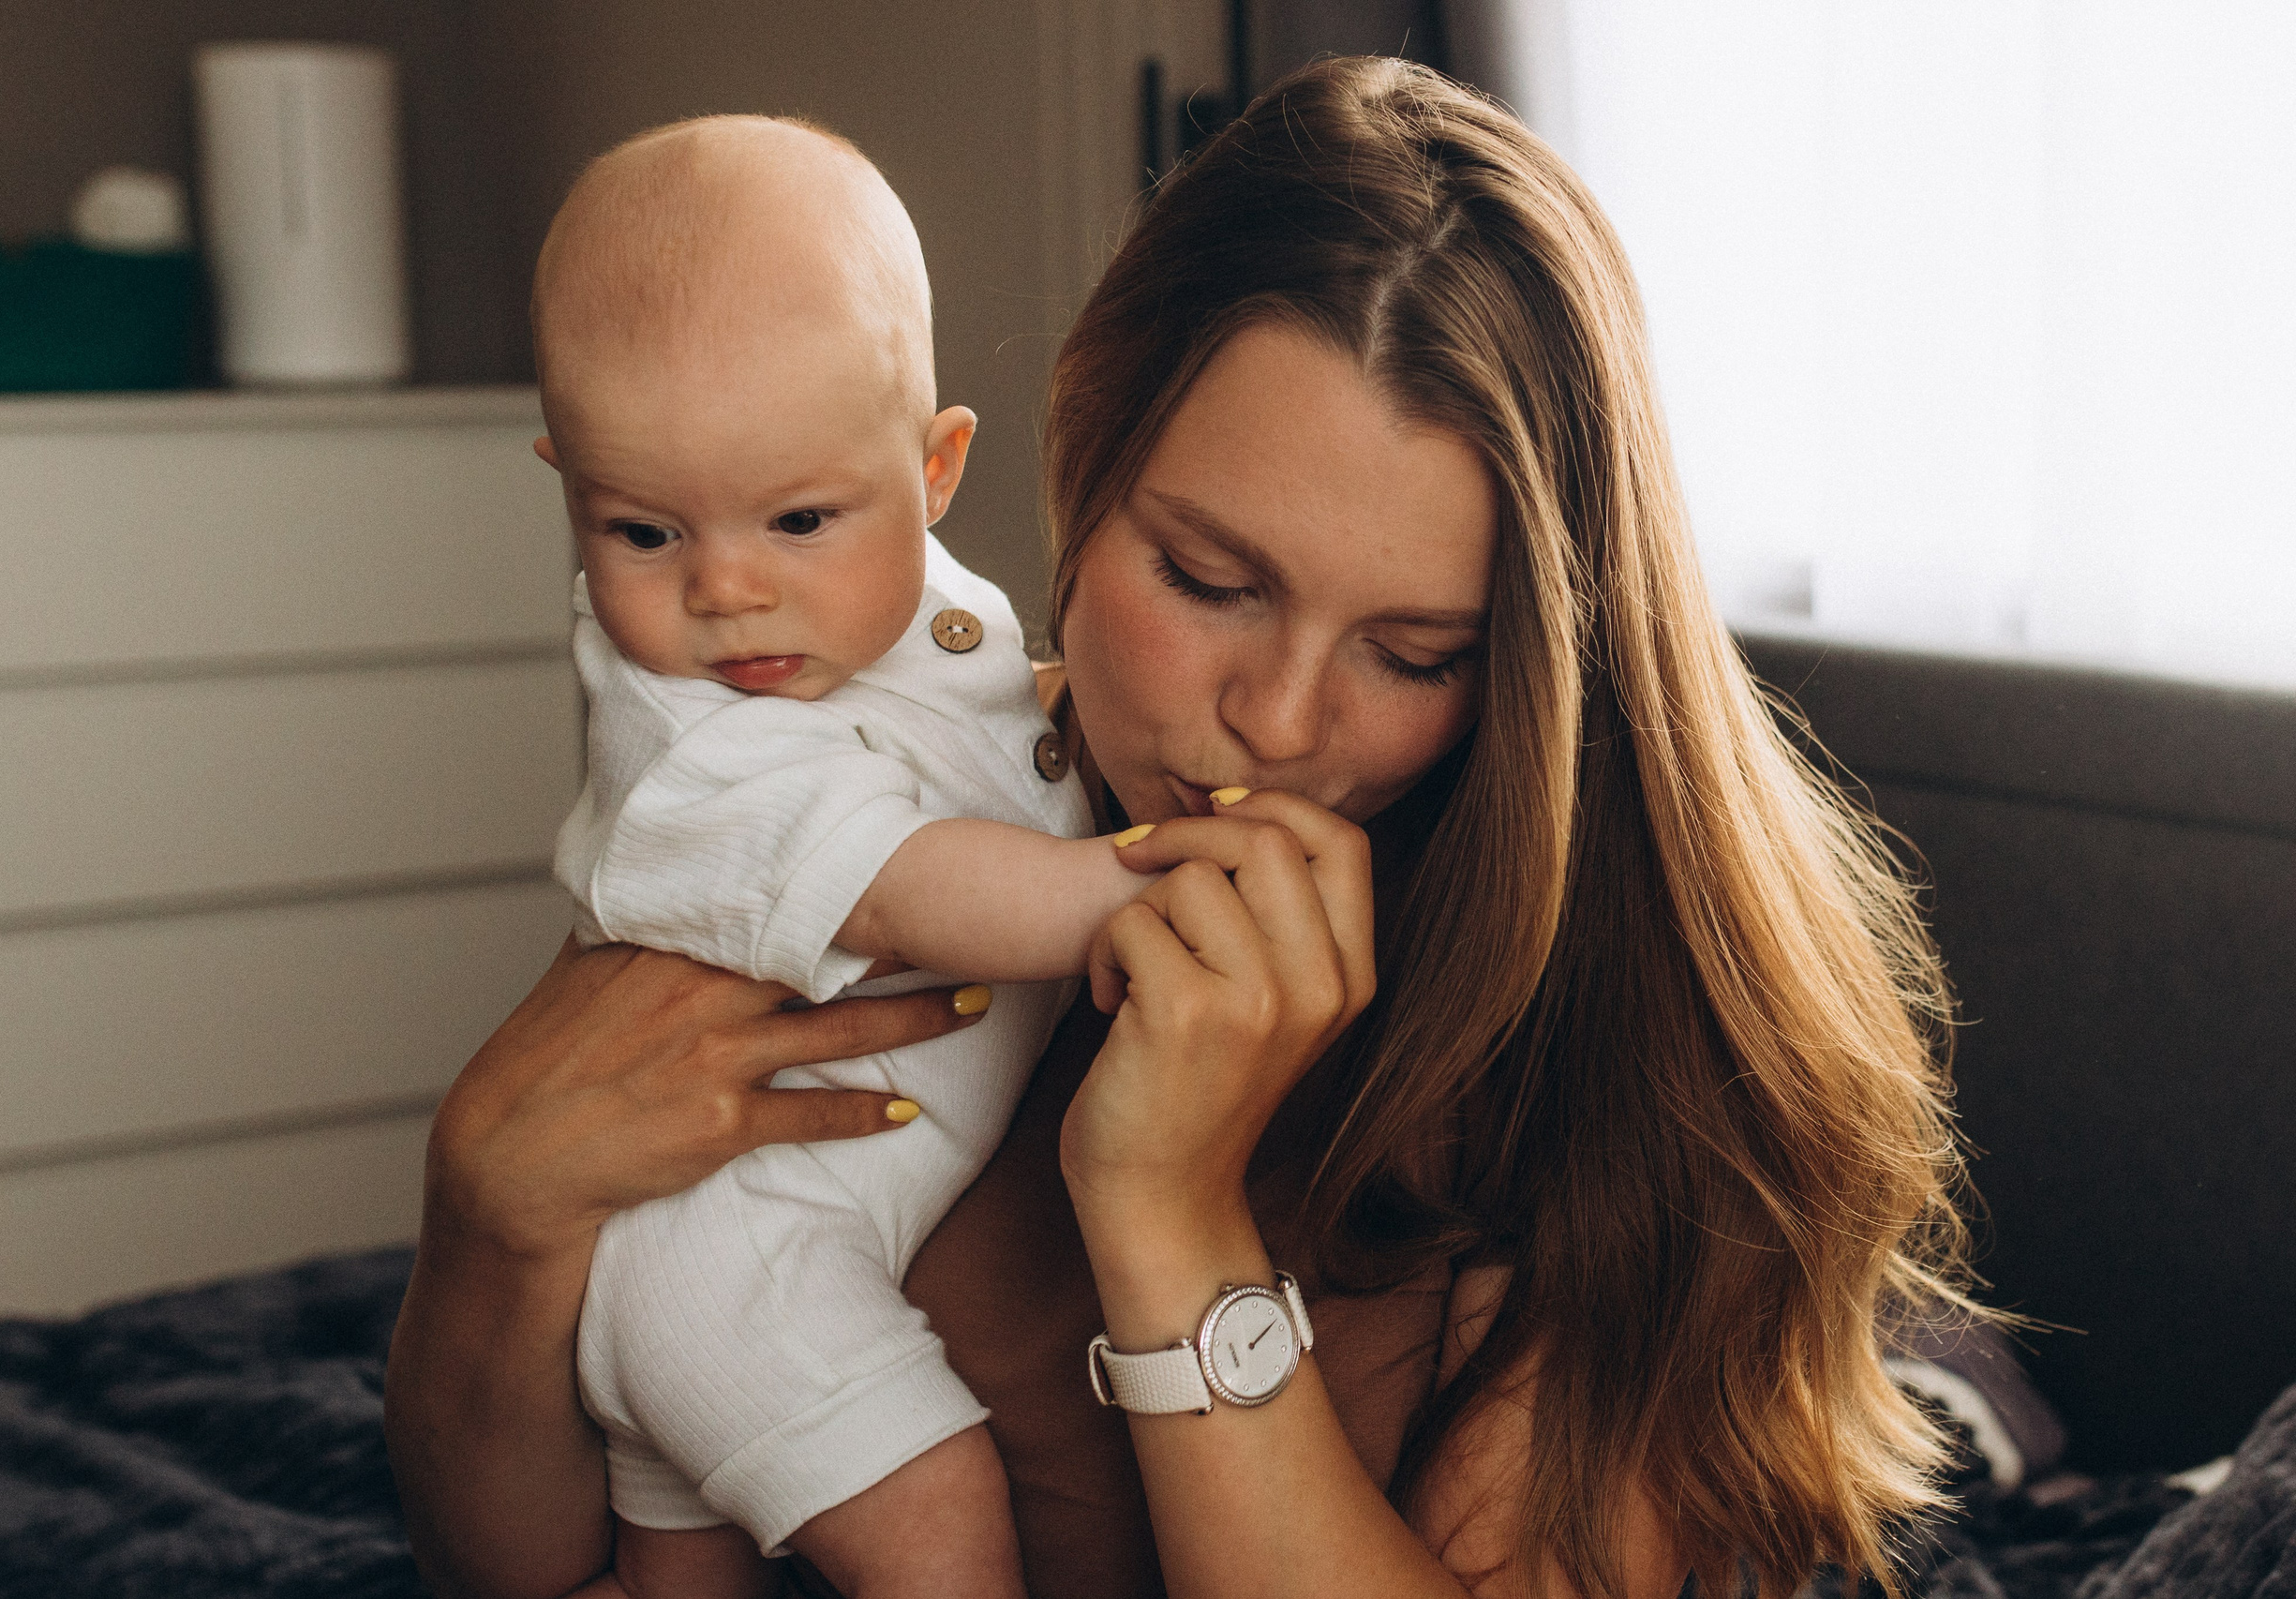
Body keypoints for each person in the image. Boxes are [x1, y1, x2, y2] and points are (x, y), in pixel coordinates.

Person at [388, 56, 1971, 1599]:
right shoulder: (889, 792)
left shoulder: (1672, 1079)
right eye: (1208, 582)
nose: (1280, 725)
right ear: (1082, 448)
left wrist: (1167, 1212)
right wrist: (490, 1217)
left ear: (1540, 661)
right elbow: (526, 1556)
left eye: (1414, 654)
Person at [531, 117, 1171, 1597]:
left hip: (733, 1252)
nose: (728, 592)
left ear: (935, 467)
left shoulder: (922, 614)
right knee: (942, 1523)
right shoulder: (686, 746)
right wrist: (1123, 889)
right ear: (569, 484)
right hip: (743, 1263)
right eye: (639, 531)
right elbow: (905, 883)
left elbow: (992, 737)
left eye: (801, 518)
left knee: (683, 1566)